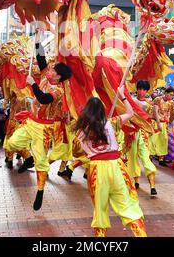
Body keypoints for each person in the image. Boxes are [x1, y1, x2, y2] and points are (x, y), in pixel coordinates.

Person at [5, 31, 73, 211]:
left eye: (52, 70)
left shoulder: (58, 91)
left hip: (44, 129)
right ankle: (28, 159)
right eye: (49, 69)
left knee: (42, 162)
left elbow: (43, 99)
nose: (48, 70)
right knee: (11, 144)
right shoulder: (45, 76)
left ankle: (40, 191)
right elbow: (41, 59)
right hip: (30, 122)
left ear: (58, 77)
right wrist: (37, 42)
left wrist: (32, 84)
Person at [74, 86, 147, 237]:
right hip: (116, 166)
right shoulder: (111, 123)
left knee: (100, 210)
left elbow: (77, 153)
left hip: (96, 170)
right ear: (102, 110)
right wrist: (122, 96)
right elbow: (131, 113)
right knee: (127, 207)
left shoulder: (80, 131)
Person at [124, 80, 157, 196]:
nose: (141, 91)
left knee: (145, 157)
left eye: (144, 89)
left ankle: (152, 186)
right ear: (136, 89)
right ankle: (136, 181)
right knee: (132, 157)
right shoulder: (130, 101)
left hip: (143, 134)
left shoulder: (149, 105)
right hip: (131, 132)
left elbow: (151, 119)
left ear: (147, 91)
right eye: (139, 89)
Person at [151, 87, 174, 166]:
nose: (171, 97)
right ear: (165, 93)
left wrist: (169, 123)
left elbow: (169, 113)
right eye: (170, 94)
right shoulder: (158, 99)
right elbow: (155, 111)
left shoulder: (171, 103)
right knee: (153, 140)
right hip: (156, 122)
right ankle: (150, 156)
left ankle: (161, 159)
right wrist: (158, 123)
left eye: (172, 95)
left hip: (164, 123)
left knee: (163, 140)